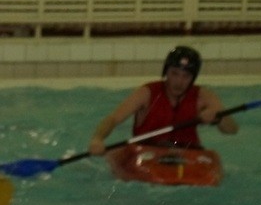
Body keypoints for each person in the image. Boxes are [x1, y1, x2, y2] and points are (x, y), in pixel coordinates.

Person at [88, 46, 239, 156]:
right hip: (147, 151)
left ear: (193, 78)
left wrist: (219, 118)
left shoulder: (204, 96)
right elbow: (112, 119)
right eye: (174, 74)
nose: (179, 82)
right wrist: (97, 139)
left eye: (186, 76)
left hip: (188, 153)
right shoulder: (147, 93)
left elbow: (232, 130)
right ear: (166, 72)